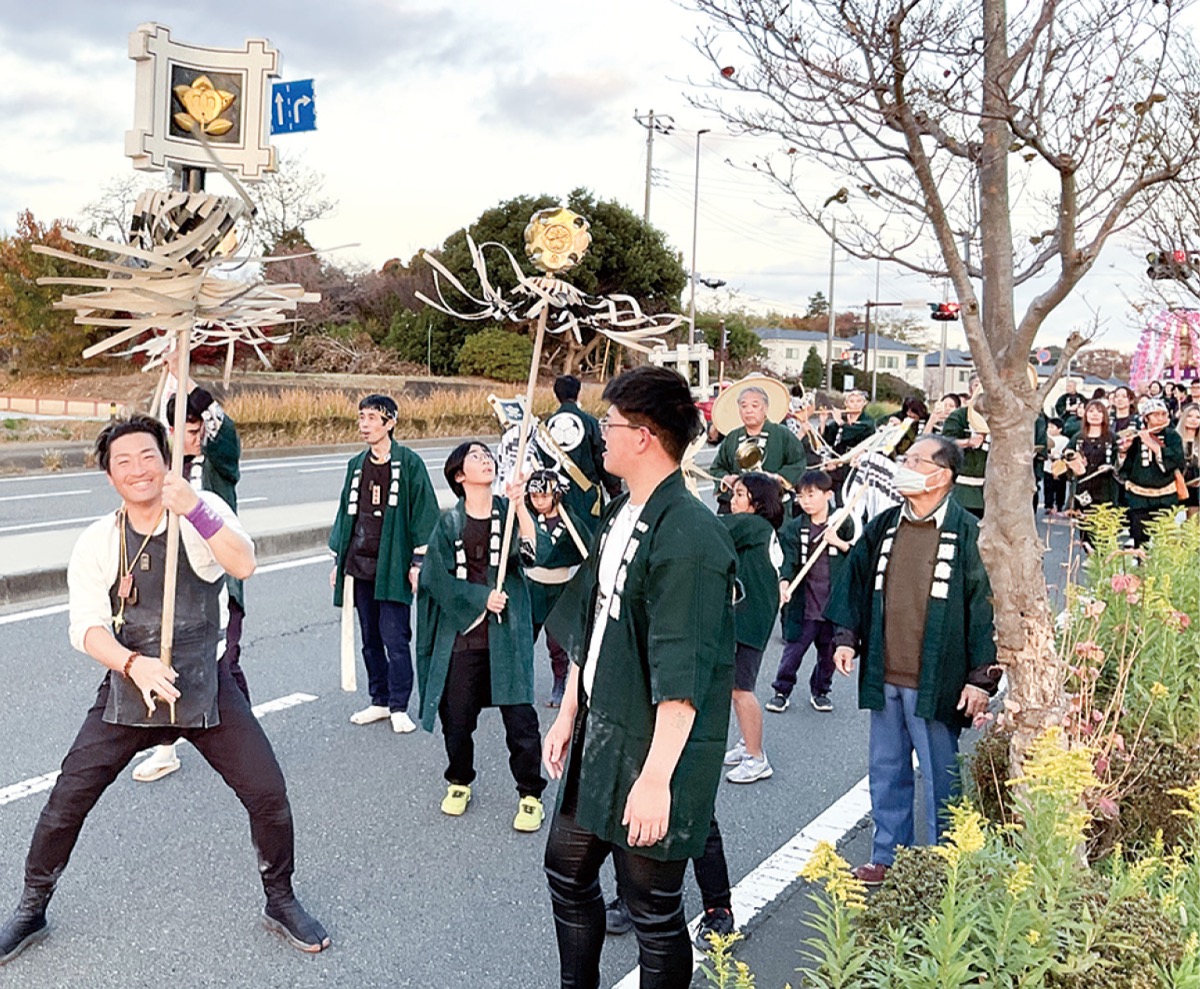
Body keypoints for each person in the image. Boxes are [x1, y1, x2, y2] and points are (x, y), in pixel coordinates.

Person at [0, 415, 328, 966]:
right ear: (110, 476)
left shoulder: (200, 510)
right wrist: (134, 665)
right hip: (131, 687)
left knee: (268, 793)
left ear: (167, 459)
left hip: (204, 684)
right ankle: (31, 907)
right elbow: (85, 628)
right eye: (123, 461)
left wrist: (194, 509)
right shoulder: (99, 540)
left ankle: (280, 898)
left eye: (148, 456)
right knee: (66, 800)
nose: (138, 469)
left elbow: (244, 563)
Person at [542, 365, 737, 989]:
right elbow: (593, 620)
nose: (602, 434)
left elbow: (685, 672)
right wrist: (567, 715)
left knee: (651, 907)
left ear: (644, 436)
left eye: (610, 424)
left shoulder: (691, 536)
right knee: (566, 870)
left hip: (656, 746)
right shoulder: (623, 512)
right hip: (602, 729)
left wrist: (656, 781)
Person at [826, 435, 999, 886]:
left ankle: (946, 861)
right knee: (886, 770)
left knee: (941, 775)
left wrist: (981, 678)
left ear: (941, 475)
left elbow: (986, 608)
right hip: (885, 671)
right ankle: (888, 855)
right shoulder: (885, 524)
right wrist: (846, 638)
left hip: (938, 679)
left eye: (914, 460)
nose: (903, 466)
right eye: (905, 458)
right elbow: (855, 581)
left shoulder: (969, 533)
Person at [415, 442, 547, 831]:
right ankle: (459, 780)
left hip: (505, 634)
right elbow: (434, 578)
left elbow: (531, 554)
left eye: (487, 455)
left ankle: (530, 794)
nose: (485, 459)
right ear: (459, 474)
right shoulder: (449, 524)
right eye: (475, 456)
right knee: (456, 718)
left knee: (521, 720)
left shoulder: (507, 512)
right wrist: (479, 597)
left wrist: (521, 507)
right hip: (463, 635)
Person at [133, 386, 247, 783]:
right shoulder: (165, 472)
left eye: (199, 430)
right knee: (168, 661)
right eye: (188, 431)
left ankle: (243, 737)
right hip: (173, 582)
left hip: (219, 580)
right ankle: (166, 748)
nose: (196, 439)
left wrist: (190, 384)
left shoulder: (217, 464)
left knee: (224, 661)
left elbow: (224, 433)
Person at [329, 394, 441, 733]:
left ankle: (399, 705)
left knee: (396, 637)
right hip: (360, 563)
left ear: (390, 422)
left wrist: (418, 562)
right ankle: (378, 699)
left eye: (371, 418)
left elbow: (424, 514)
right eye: (361, 417)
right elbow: (344, 516)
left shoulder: (409, 463)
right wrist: (339, 562)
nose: (364, 424)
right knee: (370, 638)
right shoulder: (356, 465)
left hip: (393, 565)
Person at [767, 470, 856, 715]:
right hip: (805, 604)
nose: (805, 501)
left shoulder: (844, 522)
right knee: (793, 651)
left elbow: (858, 554)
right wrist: (784, 582)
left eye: (811, 495)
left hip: (833, 606)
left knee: (828, 654)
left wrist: (839, 543)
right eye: (801, 496)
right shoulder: (795, 528)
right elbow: (788, 561)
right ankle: (781, 691)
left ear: (828, 495)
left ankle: (821, 691)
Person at [719, 472, 784, 784]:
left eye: (740, 494)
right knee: (736, 687)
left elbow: (713, 529)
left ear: (757, 503)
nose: (733, 500)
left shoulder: (753, 525)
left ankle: (757, 757)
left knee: (741, 689)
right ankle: (747, 742)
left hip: (750, 617)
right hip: (752, 614)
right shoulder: (760, 528)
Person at [522, 470, 587, 707]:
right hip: (533, 586)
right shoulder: (527, 519)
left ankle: (560, 684)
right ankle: (521, 687)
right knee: (524, 638)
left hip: (560, 588)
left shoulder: (570, 521)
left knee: (557, 642)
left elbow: (587, 550)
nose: (539, 501)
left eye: (544, 496)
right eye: (535, 496)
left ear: (556, 495)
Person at [541, 374, 621, 531]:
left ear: (556, 395)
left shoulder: (544, 428)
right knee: (588, 540)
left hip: (554, 498)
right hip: (587, 498)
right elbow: (602, 458)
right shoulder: (591, 423)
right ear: (578, 393)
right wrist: (615, 491)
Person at [711, 384, 809, 512]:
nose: (748, 410)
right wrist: (726, 479)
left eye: (755, 405)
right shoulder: (732, 437)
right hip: (737, 509)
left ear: (765, 408)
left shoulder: (782, 434)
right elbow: (717, 468)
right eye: (744, 406)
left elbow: (798, 462)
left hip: (773, 507)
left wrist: (778, 478)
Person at [1118, 398, 1184, 547]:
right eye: (1155, 415)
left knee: (1164, 540)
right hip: (1139, 497)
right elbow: (1124, 468)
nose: (1160, 418)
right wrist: (1123, 451)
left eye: (1163, 414)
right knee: (1140, 539)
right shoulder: (1135, 437)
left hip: (1165, 496)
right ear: (1146, 418)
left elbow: (1178, 461)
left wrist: (1154, 446)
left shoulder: (1173, 436)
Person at [1067, 400, 1119, 546]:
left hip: (1106, 489)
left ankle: (1103, 558)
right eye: (1091, 411)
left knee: (1104, 533)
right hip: (1084, 488)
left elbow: (1122, 461)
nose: (1095, 415)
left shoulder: (1112, 438)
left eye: (1099, 411)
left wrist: (1111, 467)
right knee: (1086, 532)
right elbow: (1066, 455)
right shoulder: (1078, 437)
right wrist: (1075, 460)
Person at [941, 375, 987, 518]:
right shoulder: (959, 416)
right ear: (970, 391)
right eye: (976, 385)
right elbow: (946, 442)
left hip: (991, 487)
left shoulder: (1002, 418)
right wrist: (967, 442)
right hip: (963, 486)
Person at [820, 389, 876, 490]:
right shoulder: (842, 420)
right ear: (846, 403)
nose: (855, 404)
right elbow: (827, 440)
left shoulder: (868, 422)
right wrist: (823, 422)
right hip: (837, 467)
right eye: (852, 401)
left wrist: (840, 422)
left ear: (864, 403)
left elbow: (852, 433)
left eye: (859, 401)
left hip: (856, 467)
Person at [1171, 402, 1199, 516]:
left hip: (1196, 493)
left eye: (1198, 417)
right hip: (1176, 489)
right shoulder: (1174, 439)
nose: (1193, 420)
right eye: (1190, 416)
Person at [1043, 418, 1069, 516]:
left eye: (1052, 427)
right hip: (1048, 467)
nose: (1049, 429)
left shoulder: (1064, 440)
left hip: (1060, 467)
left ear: (1060, 429)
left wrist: (1059, 456)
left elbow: (1066, 452)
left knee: (1060, 488)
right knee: (1048, 487)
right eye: (1048, 427)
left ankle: (1059, 505)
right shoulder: (1046, 438)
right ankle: (1049, 505)